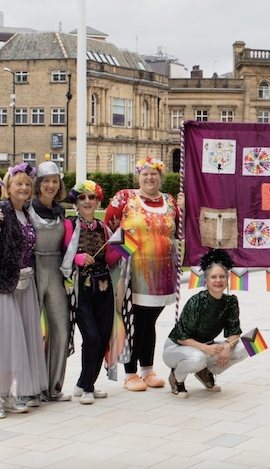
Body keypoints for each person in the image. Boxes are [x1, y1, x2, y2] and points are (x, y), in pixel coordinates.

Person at [0, 163, 47, 418]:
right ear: (7, 187)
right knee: (4, 340)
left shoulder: (26, 213)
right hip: (0, 285)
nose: (24, 187)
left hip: (24, 284)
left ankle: (7, 394)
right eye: (19, 183)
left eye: (28, 183)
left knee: (21, 341)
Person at [105, 157, 183, 391]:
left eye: (154, 174)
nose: (150, 178)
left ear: (161, 177)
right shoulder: (125, 197)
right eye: (145, 174)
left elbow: (179, 230)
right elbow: (108, 227)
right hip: (133, 273)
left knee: (150, 321)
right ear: (138, 176)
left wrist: (185, 208)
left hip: (162, 274)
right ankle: (130, 372)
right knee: (135, 320)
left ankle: (147, 369)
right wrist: (117, 255)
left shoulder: (170, 201)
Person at [61, 181, 121, 404]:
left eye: (91, 197)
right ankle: (87, 388)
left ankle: (84, 383)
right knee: (92, 337)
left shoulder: (104, 228)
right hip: (81, 288)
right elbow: (62, 252)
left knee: (103, 336)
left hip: (104, 287)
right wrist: (76, 258)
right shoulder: (70, 225)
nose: (87, 201)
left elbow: (110, 258)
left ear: (98, 201)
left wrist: (126, 246)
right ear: (76, 202)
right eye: (82, 197)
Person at [163, 249, 248, 397]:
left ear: (227, 279)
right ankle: (177, 378)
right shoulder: (197, 301)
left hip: (206, 345)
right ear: (206, 280)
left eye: (222, 276)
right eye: (213, 277)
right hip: (177, 347)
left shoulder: (230, 301)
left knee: (250, 344)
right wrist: (204, 348)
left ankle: (205, 372)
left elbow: (234, 332)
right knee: (198, 358)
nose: (218, 281)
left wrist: (227, 347)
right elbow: (181, 337)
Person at [27, 161, 72, 404]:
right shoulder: (26, 208)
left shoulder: (61, 211)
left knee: (60, 328)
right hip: (32, 270)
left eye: (55, 181)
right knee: (31, 330)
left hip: (55, 270)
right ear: (38, 184)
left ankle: (53, 386)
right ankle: (30, 388)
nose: (51, 185)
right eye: (46, 181)